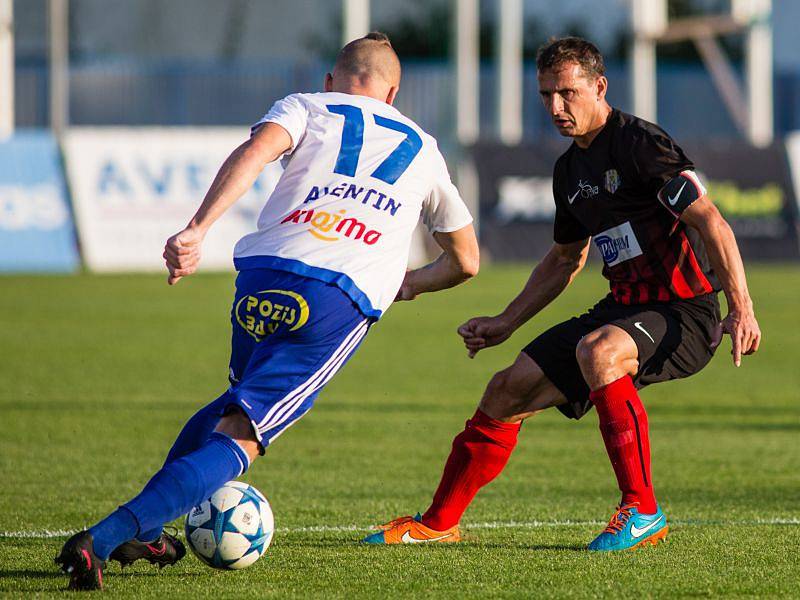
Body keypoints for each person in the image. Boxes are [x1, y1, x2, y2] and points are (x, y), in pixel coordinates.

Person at [56, 32, 479, 590]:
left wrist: (197, 229)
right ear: (393, 92)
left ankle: (148, 527)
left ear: (333, 79)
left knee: (233, 403)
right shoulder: (424, 147)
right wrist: (403, 287)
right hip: (338, 296)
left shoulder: (307, 105)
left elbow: (254, 153)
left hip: (263, 274)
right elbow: (466, 260)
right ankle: (105, 537)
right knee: (243, 435)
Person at [366, 37, 761, 551]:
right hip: (624, 309)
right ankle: (438, 522)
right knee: (507, 389)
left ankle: (641, 510)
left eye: (567, 93)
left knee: (600, 351)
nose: (556, 107)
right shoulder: (569, 173)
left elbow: (711, 222)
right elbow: (564, 260)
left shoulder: (642, 145)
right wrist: (505, 322)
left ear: (599, 87)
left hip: (685, 312)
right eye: (546, 95)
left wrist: (742, 307)